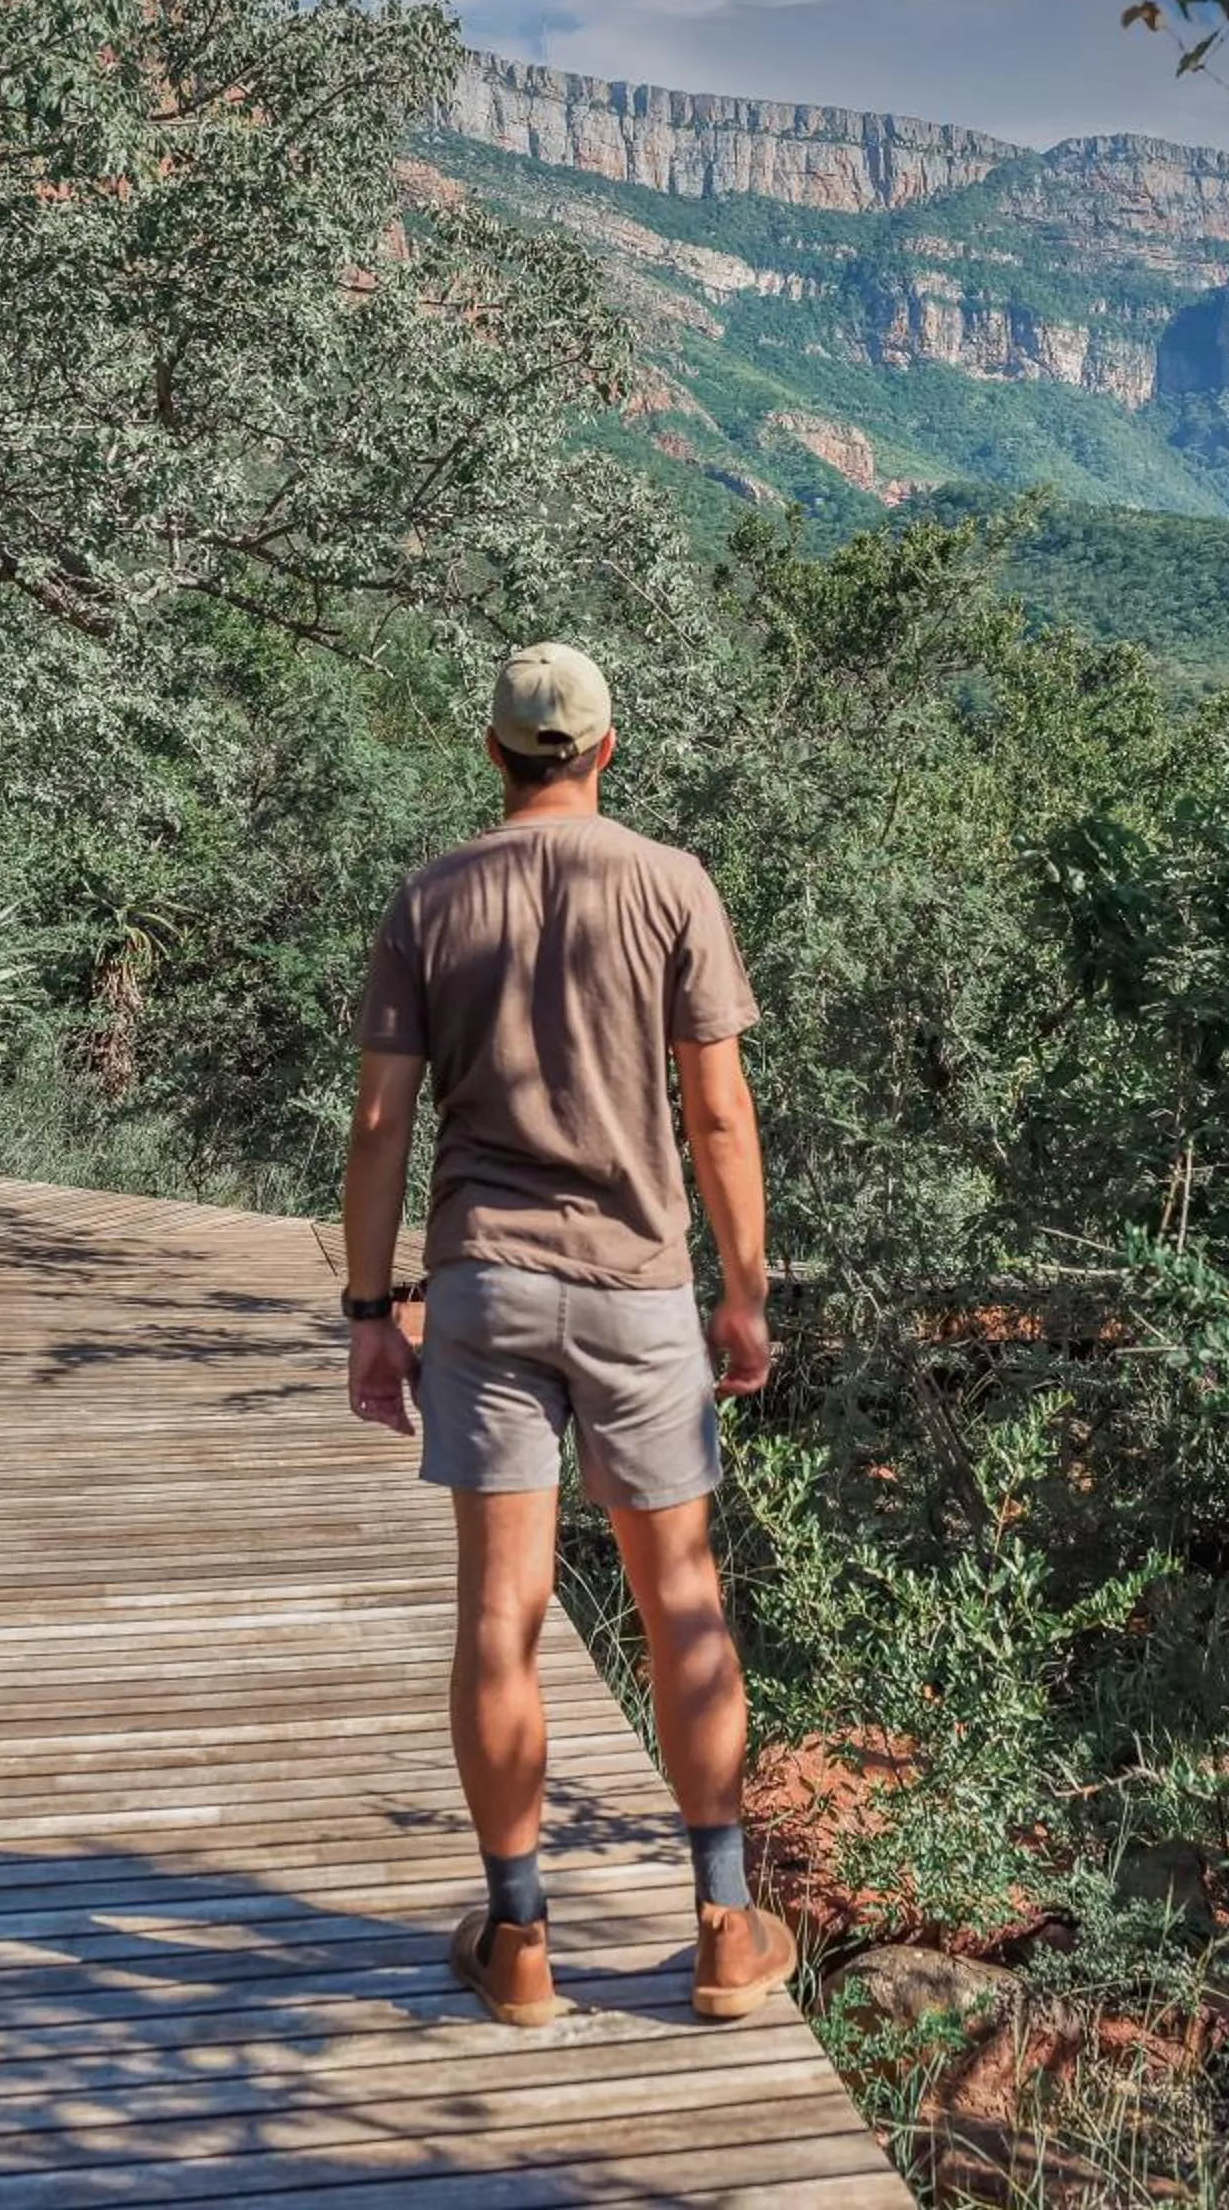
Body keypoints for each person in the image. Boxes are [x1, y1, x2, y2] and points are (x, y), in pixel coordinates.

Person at [339, 639, 798, 2030]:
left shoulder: (432, 897)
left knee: (499, 1613)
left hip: (481, 1280)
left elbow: (379, 1126)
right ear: (606, 750)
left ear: (491, 751)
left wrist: (370, 1313)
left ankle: (521, 1944)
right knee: (683, 1603)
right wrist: (743, 1287)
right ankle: (722, 1932)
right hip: (636, 1289)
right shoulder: (672, 886)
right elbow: (716, 1114)